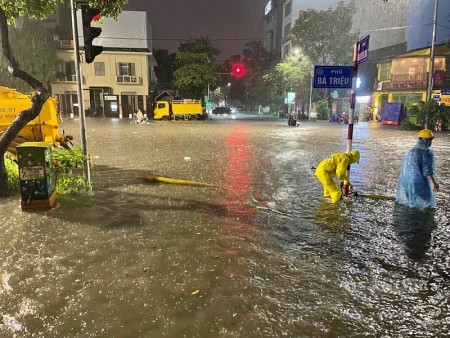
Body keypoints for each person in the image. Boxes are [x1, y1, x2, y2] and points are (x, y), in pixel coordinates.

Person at [396, 129, 439, 209]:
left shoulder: (411, 151)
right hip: (419, 182)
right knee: (428, 202)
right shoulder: (426, 152)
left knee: (411, 202)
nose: (431, 142)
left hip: (407, 181)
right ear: (425, 140)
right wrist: (434, 183)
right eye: (430, 140)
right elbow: (427, 170)